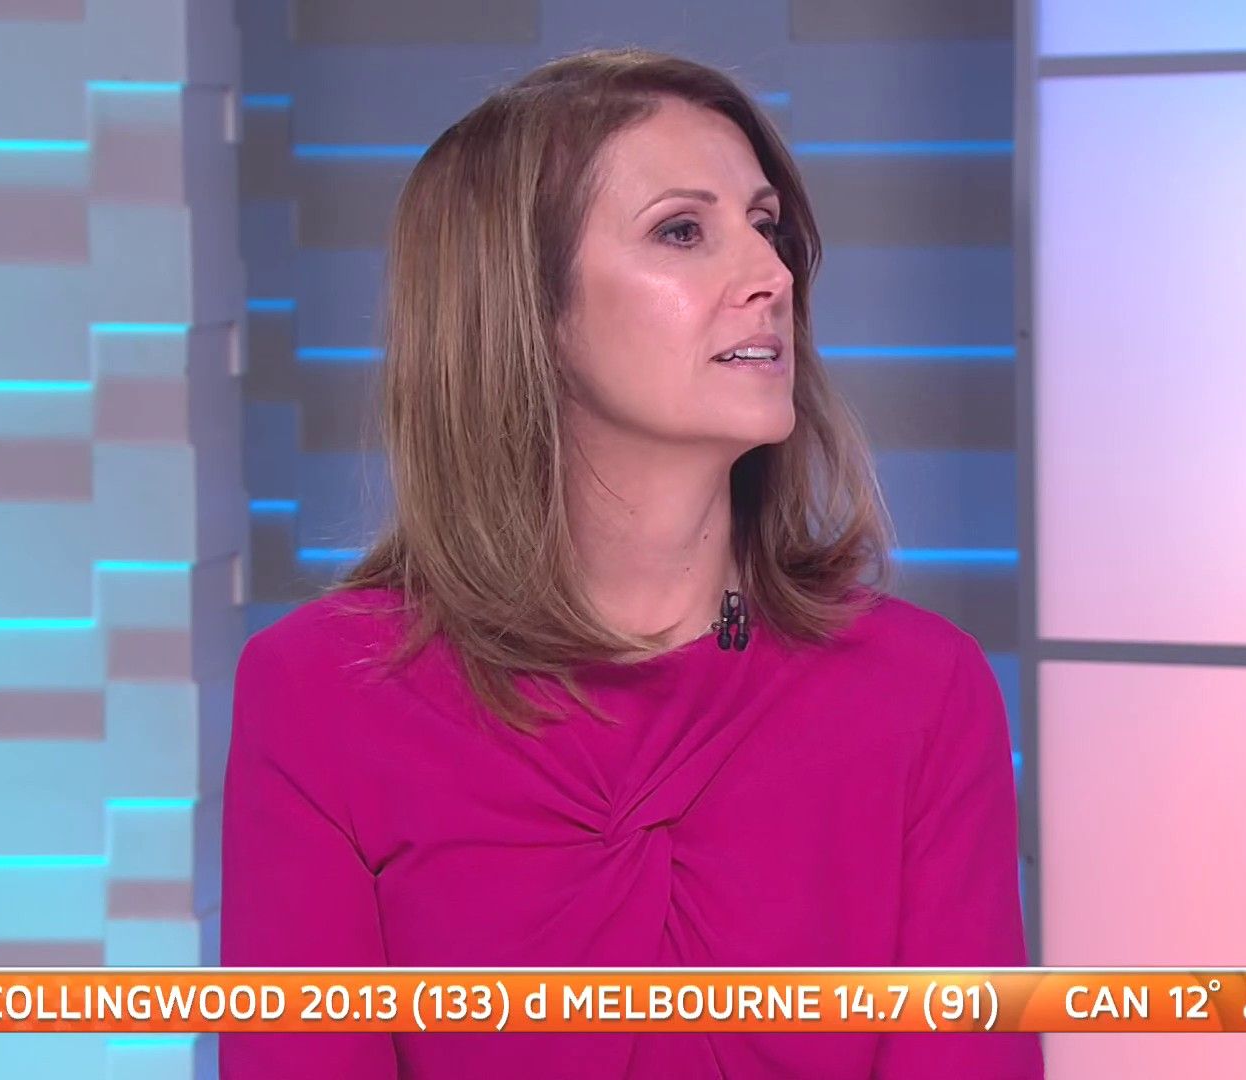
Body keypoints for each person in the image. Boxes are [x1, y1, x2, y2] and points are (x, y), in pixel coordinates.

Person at [220, 46, 1042, 1079]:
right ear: (528, 309)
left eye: (767, 226)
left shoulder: (920, 693)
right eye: (683, 231)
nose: (772, 276)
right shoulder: (326, 694)